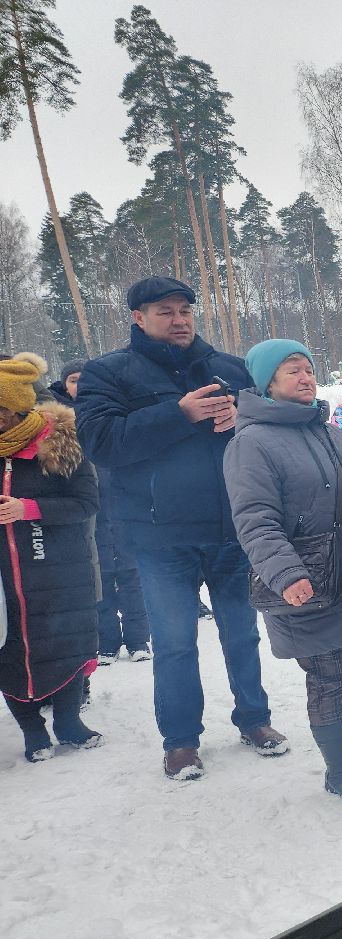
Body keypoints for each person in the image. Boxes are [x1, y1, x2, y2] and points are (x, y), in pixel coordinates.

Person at [75, 276, 283, 780]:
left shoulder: (229, 368)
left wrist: (242, 418)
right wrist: (179, 413)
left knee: (242, 634)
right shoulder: (108, 374)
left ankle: (254, 719)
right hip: (159, 536)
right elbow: (103, 443)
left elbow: (265, 430)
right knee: (174, 644)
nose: (179, 318)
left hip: (231, 529)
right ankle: (181, 742)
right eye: (165, 311)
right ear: (137, 318)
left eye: (185, 309)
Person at [224, 340, 342, 803]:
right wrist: (286, 574)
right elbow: (255, 520)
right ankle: (339, 768)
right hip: (309, 582)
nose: (306, 378)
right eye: (292, 371)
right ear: (267, 383)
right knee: (329, 674)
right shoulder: (251, 442)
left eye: (309, 368)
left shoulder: (329, 430)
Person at [0, 354, 103, 762]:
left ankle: (69, 723)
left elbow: (86, 502)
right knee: (9, 652)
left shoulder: (59, 441)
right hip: (6, 578)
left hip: (60, 568)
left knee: (68, 643)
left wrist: (29, 509)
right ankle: (32, 731)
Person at [51, 360, 151, 665]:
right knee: (100, 580)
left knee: (133, 577)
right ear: (63, 385)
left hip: (122, 504)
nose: (78, 385)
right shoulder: (56, 421)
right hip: (86, 510)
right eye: (72, 380)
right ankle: (107, 641)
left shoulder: (111, 409)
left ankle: (138, 640)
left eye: (84, 379)